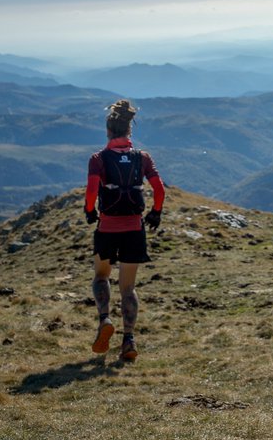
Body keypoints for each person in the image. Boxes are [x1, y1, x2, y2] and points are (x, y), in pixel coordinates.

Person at [84, 99, 165, 361]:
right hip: (134, 228)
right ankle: (128, 339)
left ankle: (105, 319)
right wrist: (155, 212)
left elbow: (92, 191)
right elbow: (160, 189)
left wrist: (89, 211)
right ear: (129, 131)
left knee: (101, 277)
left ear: (108, 131)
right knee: (128, 288)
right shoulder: (142, 158)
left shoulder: (98, 159)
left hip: (107, 227)